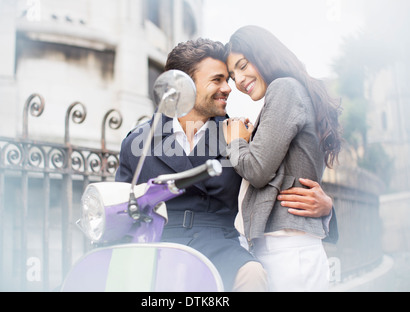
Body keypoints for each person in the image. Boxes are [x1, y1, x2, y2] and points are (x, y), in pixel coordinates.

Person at [115, 38, 336, 291]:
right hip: (156, 243)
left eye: (227, 80)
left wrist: (327, 208)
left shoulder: (240, 137)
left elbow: (275, 186)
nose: (229, 88)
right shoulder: (140, 141)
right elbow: (119, 206)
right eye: (217, 79)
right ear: (181, 85)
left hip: (221, 246)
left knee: (252, 274)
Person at [224, 25, 342, 291]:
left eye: (243, 65)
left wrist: (236, 141)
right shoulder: (296, 91)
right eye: (233, 75)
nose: (240, 80)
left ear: (264, 54)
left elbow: (256, 169)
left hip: (287, 252)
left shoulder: (285, 89)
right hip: (288, 251)